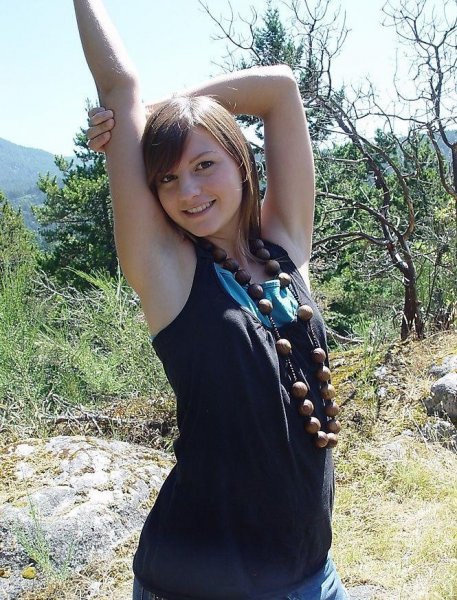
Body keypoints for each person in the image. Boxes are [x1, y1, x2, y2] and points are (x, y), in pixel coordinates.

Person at [73, 1, 348, 598]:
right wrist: (132, 114)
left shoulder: (284, 246)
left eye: (204, 165)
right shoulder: (171, 275)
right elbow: (119, 85)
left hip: (312, 573)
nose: (188, 192)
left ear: (242, 163)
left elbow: (280, 87)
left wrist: (163, 113)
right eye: (167, 178)